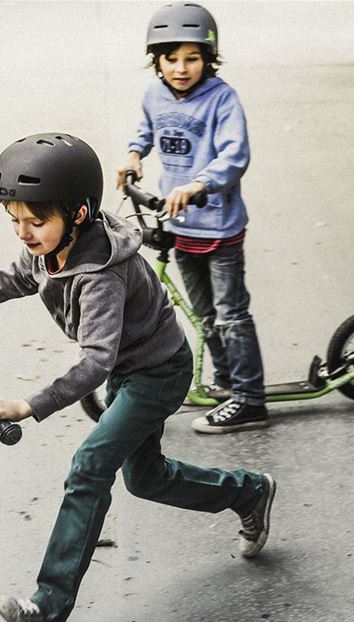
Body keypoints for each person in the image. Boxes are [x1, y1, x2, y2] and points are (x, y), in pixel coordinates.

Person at [0, 132, 275, 622]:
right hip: (133, 371)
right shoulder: (54, 245)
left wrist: (28, 405)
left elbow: (94, 363)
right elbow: (19, 277)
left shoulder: (101, 276)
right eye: (15, 220)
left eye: (35, 221)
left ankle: (47, 607)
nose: (24, 232)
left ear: (80, 214)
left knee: (90, 466)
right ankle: (250, 491)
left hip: (157, 373)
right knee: (146, 478)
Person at [119, 2, 268, 434]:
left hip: (221, 230)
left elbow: (235, 154)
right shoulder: (154, 95)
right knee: (204, 316)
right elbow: (145, 131)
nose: (181, 68)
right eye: (171, 59)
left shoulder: (222, 98)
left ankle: (250, 398)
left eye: (192, 58)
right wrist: (133, 156)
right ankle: (226, 381)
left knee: (231, 315)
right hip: (179, 228)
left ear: (208, 59)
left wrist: (198, 185)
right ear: (158, 61)